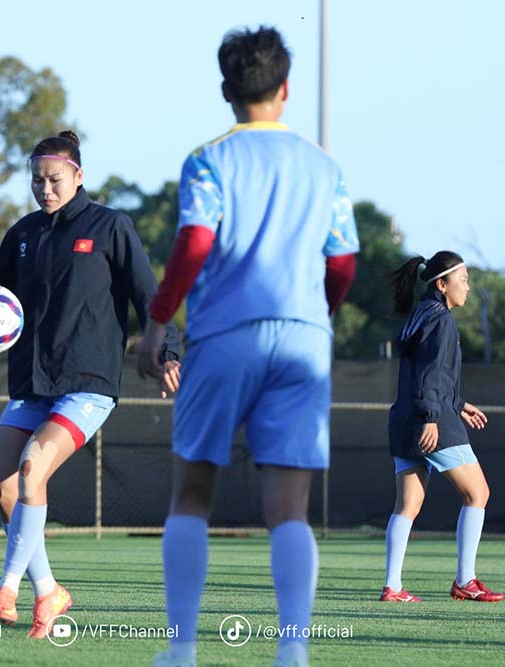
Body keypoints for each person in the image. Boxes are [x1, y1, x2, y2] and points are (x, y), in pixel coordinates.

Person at [136, 27, 359, 667]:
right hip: (303, 341)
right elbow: (341, 263)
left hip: (223, 336)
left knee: (192, 494)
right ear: (285, 89)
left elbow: (196, 243)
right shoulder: (324, 164)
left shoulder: (210, 159)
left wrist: (157, 321)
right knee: (289, 509)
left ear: (227, 91)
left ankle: (180, 651)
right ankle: (293, 655)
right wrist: (315, 315)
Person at [0, 130, 183, 639]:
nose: (44, 189)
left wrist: (167, 349)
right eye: (36, 180)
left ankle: (7, 586)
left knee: (32, 468)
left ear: (78, 176)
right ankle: (49, 590)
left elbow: (148, 294)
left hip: (87, 382)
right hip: (31, 379)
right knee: (3, 486)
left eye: (53, 179)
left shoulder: (110, 226)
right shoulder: (23, 233)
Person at [380, 251, 500, 603]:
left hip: (405, 418)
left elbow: (427, 373)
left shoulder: (421, 314)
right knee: (478, 494)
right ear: (441, 284)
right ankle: (466, 581)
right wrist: (434, 417)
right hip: (430, 421)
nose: (467, 285)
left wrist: (458, 404)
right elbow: (430, 374)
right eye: (462, 279)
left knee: (407, 506)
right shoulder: (442, 320)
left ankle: (393, 587)